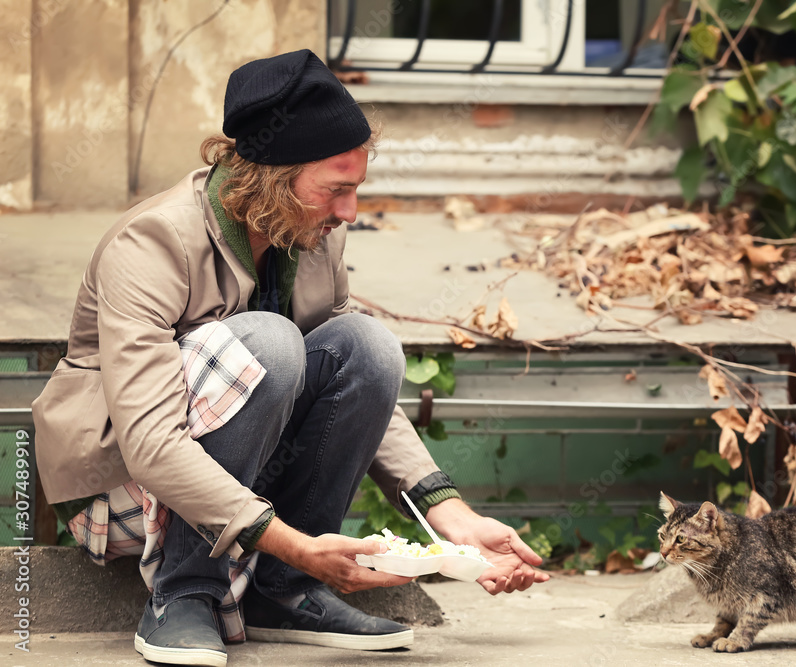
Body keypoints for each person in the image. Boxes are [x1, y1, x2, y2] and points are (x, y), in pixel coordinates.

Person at [31, 49, 548, 667]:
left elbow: (353, 372)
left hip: (238, 486)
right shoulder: (153, 241)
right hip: (120, 494)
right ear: (271, 177)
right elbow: (150, 442)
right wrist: (294, 544)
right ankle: (186, 591)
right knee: (270, 343)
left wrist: (450, 515)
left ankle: (280, 594)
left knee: (367, 344)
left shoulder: (308, 230)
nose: (350, 212)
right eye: (337, 191)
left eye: (355, 190)